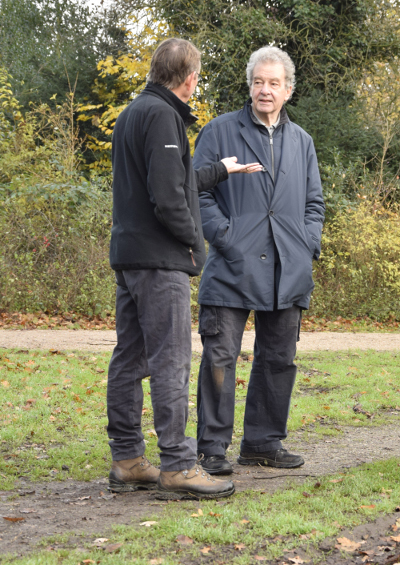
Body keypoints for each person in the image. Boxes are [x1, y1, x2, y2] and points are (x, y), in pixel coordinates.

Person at [106, 38, 261, 500]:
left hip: (130, 256)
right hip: (159, 261)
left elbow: (171, 178)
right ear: (189, 79)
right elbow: (169, 198)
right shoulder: (163, 116)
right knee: (172, 362)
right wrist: (194, 245)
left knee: (130, 359)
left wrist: (219, 170)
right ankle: (177, 465)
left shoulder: (134, 112)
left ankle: (128, 460)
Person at [193, 45, 325, 476]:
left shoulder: (302, 141)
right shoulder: (218, 132)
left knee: (278, 358)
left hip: (288, 269)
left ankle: (263, 443)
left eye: (273, 83)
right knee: (220, 356)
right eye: (258, 82)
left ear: (288, 90)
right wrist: (225, 236)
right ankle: (212, 448)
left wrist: (307, 244)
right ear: (249, 86)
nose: (264, 90)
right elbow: (198, 192)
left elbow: (313, 203)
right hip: (232, 265)